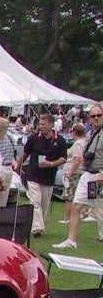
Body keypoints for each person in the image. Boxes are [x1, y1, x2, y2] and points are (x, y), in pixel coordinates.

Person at [56, 104, 103, 248]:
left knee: (99, 208)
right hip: (88, 174)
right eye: (93, 116)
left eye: (99, 115)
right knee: (77, 205)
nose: (96, 118)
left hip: (98, 175)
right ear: (89, 118)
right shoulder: (89, 134)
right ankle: (71, 240)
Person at [13, 114, 66, 240]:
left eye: (43, 124)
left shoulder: (60, 140)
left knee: (44, 204)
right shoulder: (33, 138)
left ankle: (39, 225)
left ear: (51, 125)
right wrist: (18, 167)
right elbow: (25, 154)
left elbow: (63, 158)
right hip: (33, 174)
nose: (40, 126)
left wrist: (51, 164)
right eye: (40, 124)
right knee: (35, 200)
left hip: (49, 176)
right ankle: (37, 227)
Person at [59, 123, 86, 227]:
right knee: (72, 195)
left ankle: (67, 218)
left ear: (73, 132)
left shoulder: (78, 144)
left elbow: (77, 159)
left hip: (73, 173)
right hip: (75, 172)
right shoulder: (82, 142)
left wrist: (70, 172)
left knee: (69, 196)